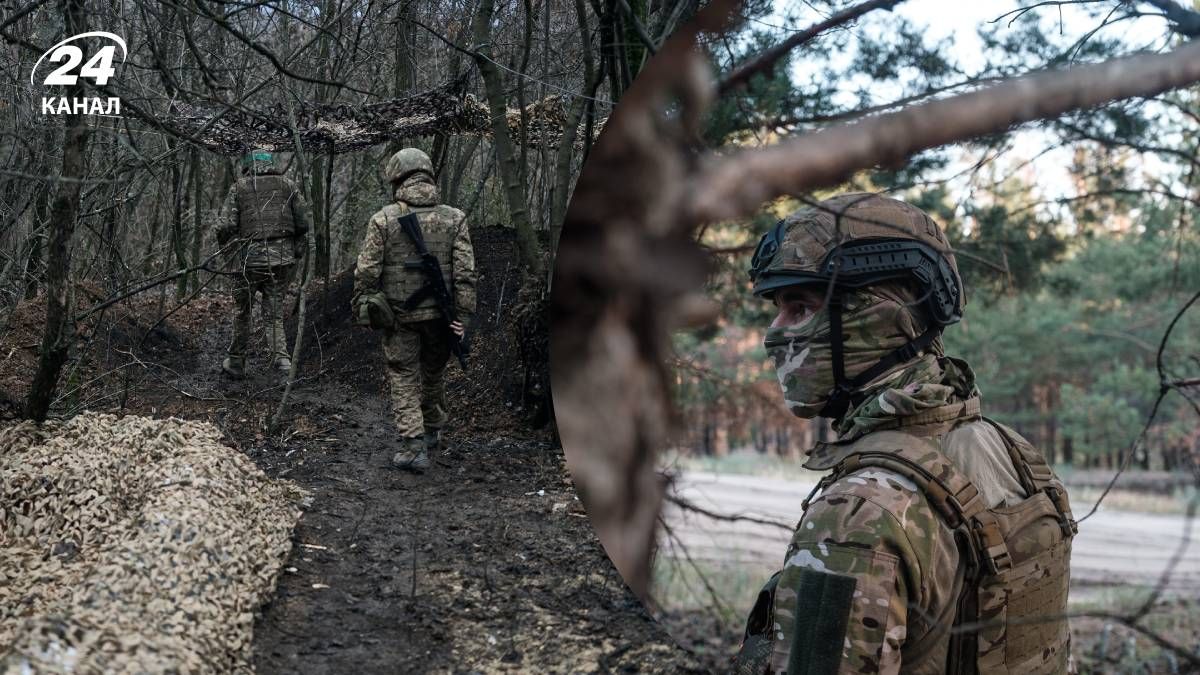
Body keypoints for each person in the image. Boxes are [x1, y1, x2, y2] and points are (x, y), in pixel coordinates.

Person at [733, 193, 1076, 675]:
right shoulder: (1014, 453)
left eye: (800, 307)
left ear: (877, 319)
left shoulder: (858, 513)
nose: (774, 333)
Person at [353, 148, 475, 473]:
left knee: (403, 375)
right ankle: (432, 430)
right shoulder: (455, 218)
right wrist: (462, 317)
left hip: (400, 317)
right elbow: (465, 274)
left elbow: (366, 272)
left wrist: (364, 305)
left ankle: (413, 445)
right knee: (434, 372)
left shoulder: (383, 219)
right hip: (441, 317)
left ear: (397, 178)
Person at [216, 149, 310, 378]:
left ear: (248, 166)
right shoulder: (288, 185)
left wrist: (225, 251)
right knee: (274, 314)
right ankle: (283, 362)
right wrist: (296, 250)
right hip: (281, 261)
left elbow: (225, 226)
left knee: (242, 312)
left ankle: (236, 363)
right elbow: (303, 223)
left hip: (247, 262)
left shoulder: (239, 187)